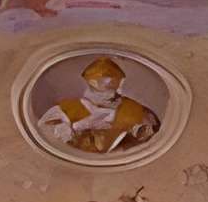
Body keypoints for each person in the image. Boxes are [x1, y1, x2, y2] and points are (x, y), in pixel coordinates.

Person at [35, 56, 163, 158]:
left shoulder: (135, 109)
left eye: (116, 88)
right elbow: (45, 138)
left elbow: (150, 141)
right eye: (106, 90)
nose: (115, 93)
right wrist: (80, 126)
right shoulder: (65, 109)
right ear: (89, 86)